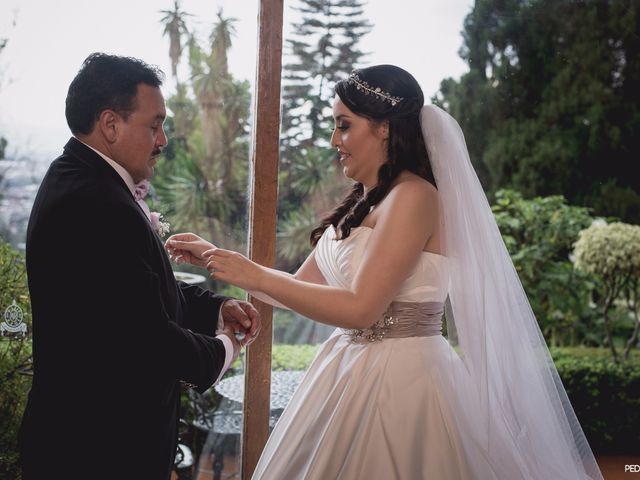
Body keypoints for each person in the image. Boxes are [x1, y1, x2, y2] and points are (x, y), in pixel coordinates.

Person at [166, 65, 603, 479]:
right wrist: (215, 257)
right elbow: (298, 289)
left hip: (403, 382)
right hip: (344, 372)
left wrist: (251, 273)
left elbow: (361, 308)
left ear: (385, 127)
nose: (335, 139)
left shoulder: (415, 197)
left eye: (344, 124)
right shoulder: (365, 201)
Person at [18, 53, 260, 480]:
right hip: (97, 450)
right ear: (110, 125)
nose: (163, 139)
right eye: (155, 124)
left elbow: (132, 293)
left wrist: (214, 309)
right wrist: (226, 346)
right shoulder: (94, 202)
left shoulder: (81, 179)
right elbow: (148, 340)